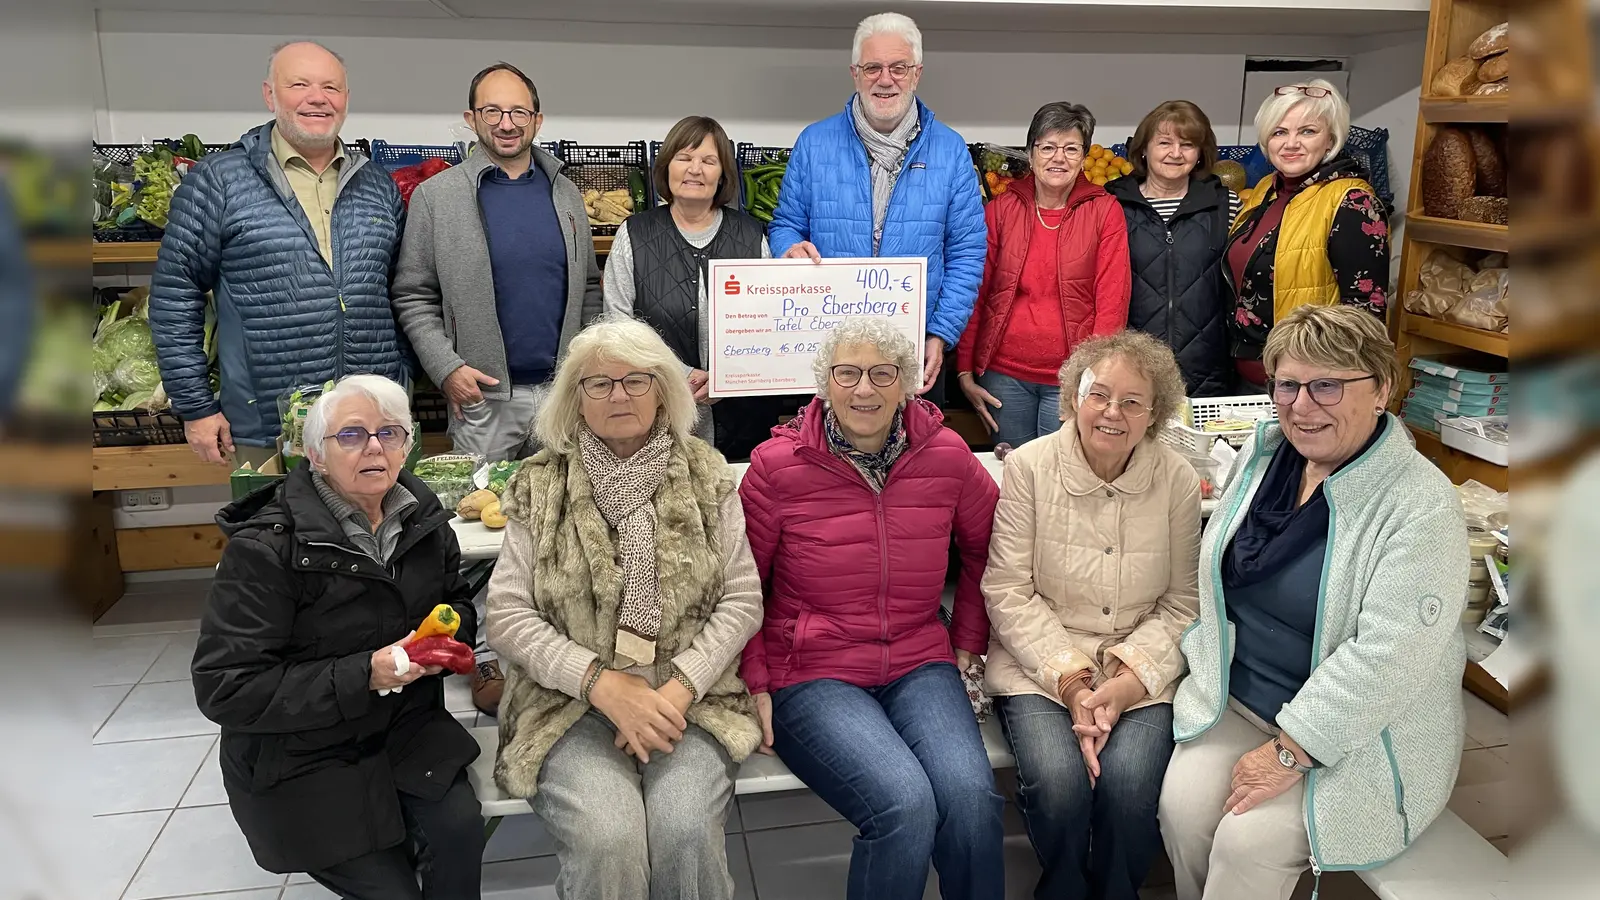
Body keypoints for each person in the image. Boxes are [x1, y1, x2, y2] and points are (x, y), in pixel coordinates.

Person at [1160, 305, 1468, 900]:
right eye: (1288, 384)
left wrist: (1290, 750)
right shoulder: (1268, 456)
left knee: (1245, 844)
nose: (1302, 405)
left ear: (1380, 389)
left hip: (1356, 730)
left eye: (1327, 385)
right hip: (1241, 696)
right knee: (1182, 811)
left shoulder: (1420, 505)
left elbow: (1389, 658)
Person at [485, 317, 764, 900]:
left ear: (663, 389)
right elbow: (508, 615)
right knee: (607, 839)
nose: (619, 396)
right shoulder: (540, 484)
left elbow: (742, 599)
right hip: (567, 707)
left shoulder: (707, 473)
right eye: (599, 384)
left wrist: (676, 690)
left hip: (691, 702)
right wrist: (602, 685)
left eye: (637, 381)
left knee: (684, 831)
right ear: (574, 398)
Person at [739, 317, 1005, 900]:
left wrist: (967, 640)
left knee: (970, 801)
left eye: (882, 374)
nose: (865, 389)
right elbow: (741, 588)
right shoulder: (774, 467)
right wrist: (755, 682)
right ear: (825, 384)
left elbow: (991, 548)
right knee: (902, 805)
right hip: (812, 669)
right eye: (848, 373)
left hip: (918, 657)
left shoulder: (948, 455)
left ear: (907, 382)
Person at [192, 374, 484, 899]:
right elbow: (226, 687)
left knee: (460, 838)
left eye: (389, 433)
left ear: (407, 446)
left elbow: (457, 602)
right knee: (392, 889)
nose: (374, 447)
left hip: (408, 734)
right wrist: (363, 675)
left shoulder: (426, 522)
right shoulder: (265, 550)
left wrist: (442, 641)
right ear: (315, 456)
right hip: (303, 754)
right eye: (351, 435)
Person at [392, 61, 604, 715]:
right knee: (483, 538)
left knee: (566, 528)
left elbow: (590, 292)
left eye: (519, 112)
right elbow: (413, 293)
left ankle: (556, 654)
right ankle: (485, 657)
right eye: (492, 111)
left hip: (562, 397)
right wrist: (447, 366)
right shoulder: (439, 198)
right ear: (471, 119)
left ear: (538, 120)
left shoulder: (565, 194)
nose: (506, 123)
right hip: (483, 399)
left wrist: (590, 368)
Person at [982, 331, 1199, 900]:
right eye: (1099, 394)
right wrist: (1076, 682)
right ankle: (1063, 888)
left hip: (1143, 670)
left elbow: (1185, 603)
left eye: (1133, 401)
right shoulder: (1028, 468)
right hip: (1041, 665)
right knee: (1058, 784)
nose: (1112, 412)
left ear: (1154, 414)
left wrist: (1126, 683)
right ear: (1073, 395)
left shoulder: (1176, 478)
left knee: (1128, 787)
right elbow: (1008, 589)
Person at [151, 41, 407, 468]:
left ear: (345, 99)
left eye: (331, 87)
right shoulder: (219, 181)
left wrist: (403, 374)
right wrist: (196, 406)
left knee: (376, 532)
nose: (317, 97)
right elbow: (175, 295)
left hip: (373, 419)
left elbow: (402, 288)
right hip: (270, 424)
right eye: (299, 84)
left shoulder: (377, 184)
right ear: (270, 94)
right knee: (277, 533)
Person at [767, 12, 985, 406]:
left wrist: (940, 333)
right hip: (834, 349)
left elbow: (966, 253)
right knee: (832, 459)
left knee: (910, 458)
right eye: (873, 67)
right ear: (855, 73)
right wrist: (788, 246)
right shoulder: (814, 143)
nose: (885, 79)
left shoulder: (951, 151)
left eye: (898, 68)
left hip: (913, 348)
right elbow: (785, 224)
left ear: (917, 73)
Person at [602, 115, 801, 461]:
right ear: (666, 167)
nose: (695, 169)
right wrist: (680, 376)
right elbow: (618, 325)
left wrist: (728, 377)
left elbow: (770, 326)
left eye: (709, 161)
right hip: (659, 410)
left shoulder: (752, 235)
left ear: (723, 174)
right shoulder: (634, 233)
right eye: (684, 158)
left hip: (743, 418)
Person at [956, 102, 1131, 451]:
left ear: (1084, 157)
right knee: (1012, 478)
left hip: (1071, 378)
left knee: (1065, 480)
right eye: (1048, 147)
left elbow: (1112, 301)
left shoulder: (1105, 211)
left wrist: (1093, 380)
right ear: (1031, 153)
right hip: (1003, 377)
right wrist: (964, 371)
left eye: (1071, 149)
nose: (1058, 158)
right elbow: (976, 292)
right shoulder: (1000, 211)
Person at [1226, 79, 1389, 391]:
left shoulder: (1352, 202)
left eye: (1307, 131)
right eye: (1279, 132)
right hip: (1249, 376)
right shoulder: (1265, 191)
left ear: (1330, 139)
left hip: (1308, 384)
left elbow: (1365, 315)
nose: (1291, 143)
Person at [1108, 101, 1241, 397]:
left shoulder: (1226, 204)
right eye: (1164, 142)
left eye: (1188, 144)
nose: (1176, 153)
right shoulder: (1112, 205)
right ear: (1144, 148)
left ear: (1200, 154)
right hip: (1132, 365)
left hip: (1208, 368)